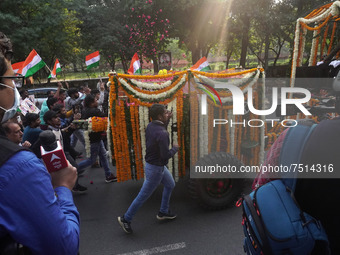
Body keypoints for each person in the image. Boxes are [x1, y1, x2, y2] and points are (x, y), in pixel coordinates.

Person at [0, 31, 80, 255]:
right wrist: (62, 187)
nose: (14, 90)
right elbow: (63, 246)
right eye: (11, 80)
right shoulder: (18, 168)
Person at [118, 104, 179, 234]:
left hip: (155, 166)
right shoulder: (162, 133)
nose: (167, 113)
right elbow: (165, 156)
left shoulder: (152, 126)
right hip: (156, 168)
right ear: (159, 116)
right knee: (143, 196)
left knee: (170, 184)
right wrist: (175, 148)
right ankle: (126, 219)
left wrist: (167, 119)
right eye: (165, 112)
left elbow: (161, 130)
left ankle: (163, 211)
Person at [44, 110, 87, 192]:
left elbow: (63, 134)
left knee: (75, 168)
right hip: (57, 157)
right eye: (55, 118)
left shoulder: (57, 128)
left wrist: (71, 128)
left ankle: (74, 186)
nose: (58, 119)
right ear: (49, 121)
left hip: (64, 153)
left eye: (57, 117)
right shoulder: (48, 133)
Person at [77, 94, 116, 183]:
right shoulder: (93, 111)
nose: (97, 102)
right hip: (94, 139)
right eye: (95, 100)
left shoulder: (85, 110)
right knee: (92, 160)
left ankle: (108, 175)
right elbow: (106, 117)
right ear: (91, 103)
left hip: (95, 137)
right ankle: (75, 169)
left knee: (103, 156)